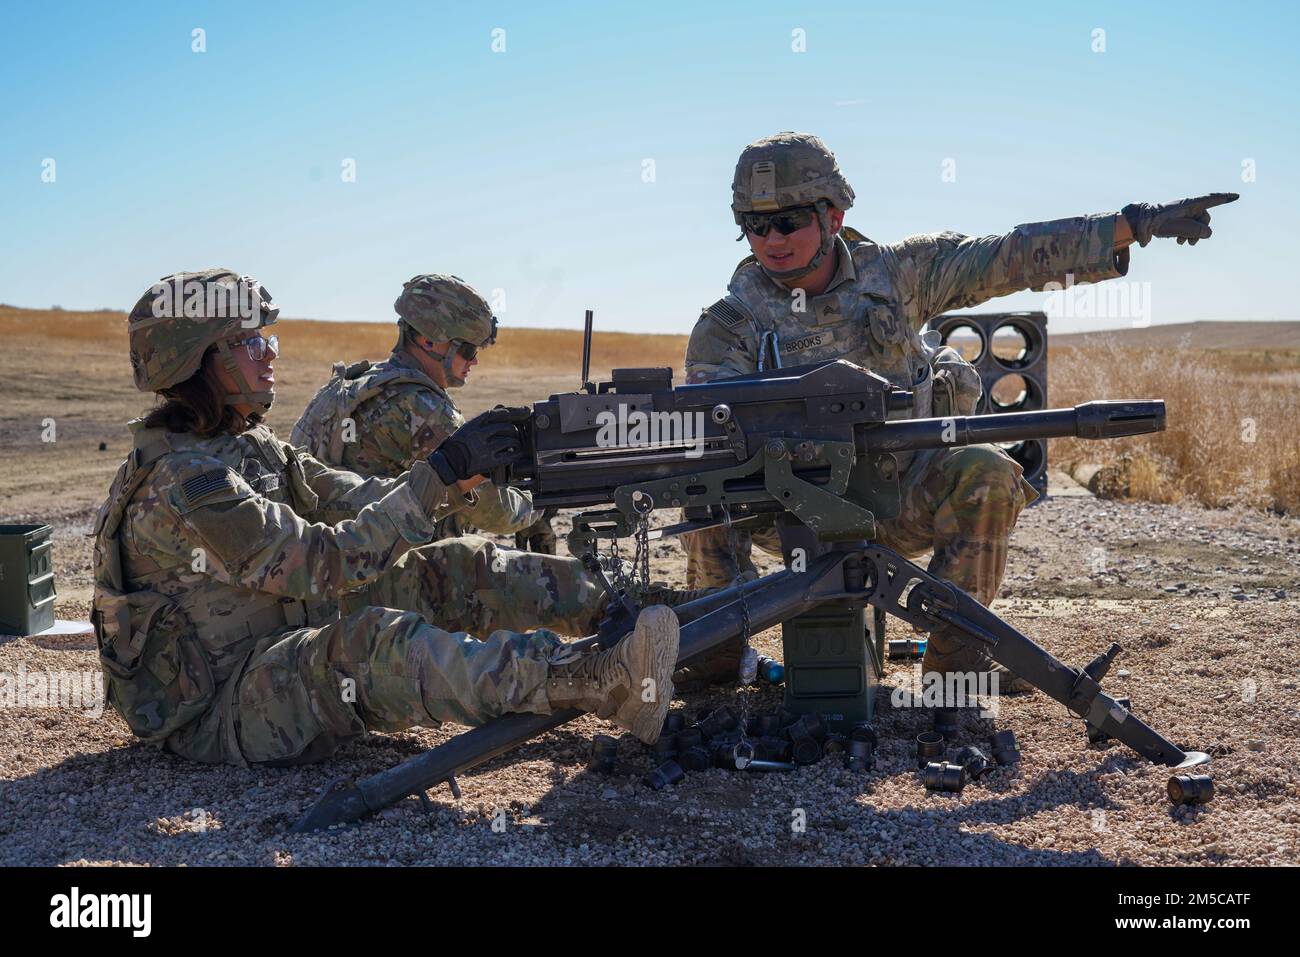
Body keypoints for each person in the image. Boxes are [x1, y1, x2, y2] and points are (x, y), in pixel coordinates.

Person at [682, 131, 1237, 691]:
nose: (771, 239)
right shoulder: (730, 324)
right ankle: (714, 656)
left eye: (788, 220)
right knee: (701, 485)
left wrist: (1131, 225)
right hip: (789, 513)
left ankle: (953, 674)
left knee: (987, 472)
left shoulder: (898, 277)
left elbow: (1007, 256)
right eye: (755, 224)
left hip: (900, 498)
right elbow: (713, 439)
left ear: (834, 215)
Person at [92, 268, 678, 767]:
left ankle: (663, 623)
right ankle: (597, 678)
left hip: (277, 644)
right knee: (369, 647)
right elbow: (322, 563)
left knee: (453, 565)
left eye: (264, 337)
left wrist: (455, 479)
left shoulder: (245, 443)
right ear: (198, 363)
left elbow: (350, 495)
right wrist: (439, 475)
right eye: (248, 343)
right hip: (224, 706)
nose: (269, 351)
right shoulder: (187, 483)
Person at [290, 273, 556, 552]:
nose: (475, 359)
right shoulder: (423, 409)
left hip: (322, 556)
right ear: (428, 341)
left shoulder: (353, 383)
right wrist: (538, 504)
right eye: (467, 348)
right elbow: (494, 512)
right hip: (376, 570)